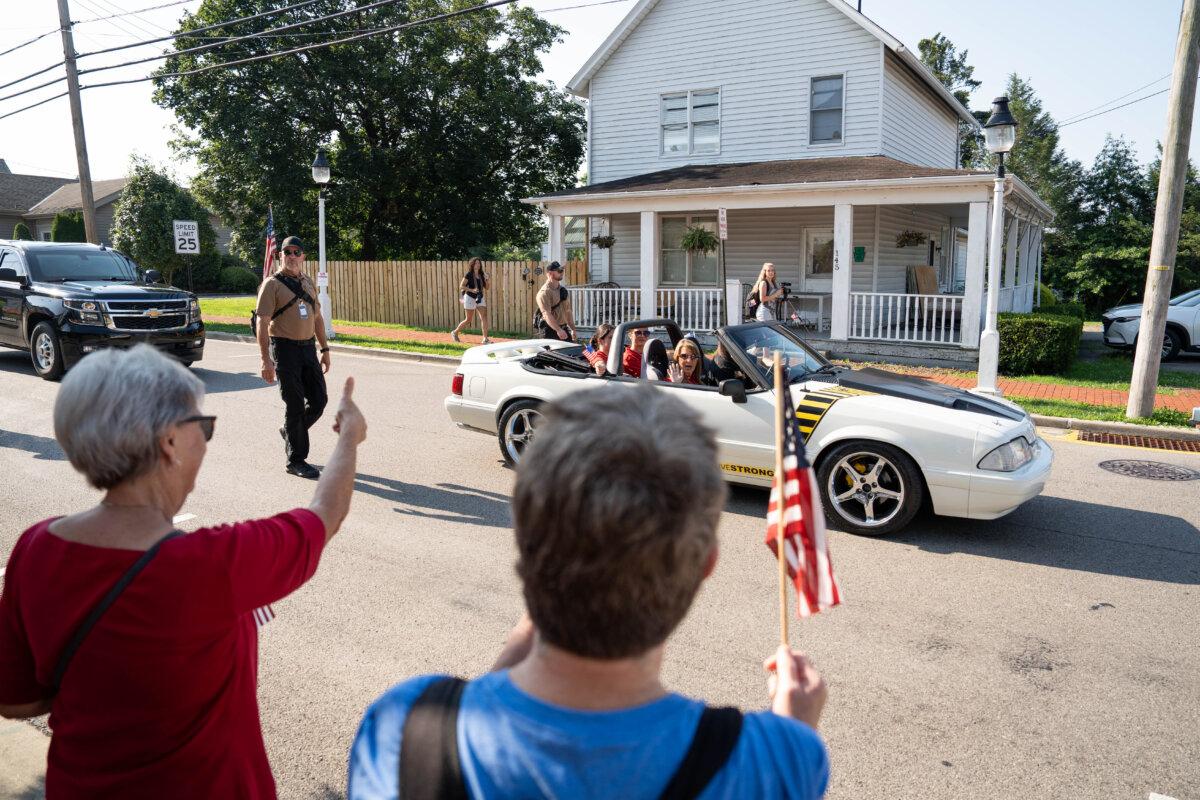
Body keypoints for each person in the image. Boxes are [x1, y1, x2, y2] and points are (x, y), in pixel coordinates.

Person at [348, 385, 828, 799]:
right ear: (707, 565)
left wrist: (559, 559)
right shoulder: (774, 761)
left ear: (526, 544)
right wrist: (796, 727)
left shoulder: (404, 726)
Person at [0, 345, 367, 799]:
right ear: (169, 441)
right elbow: (325, 513)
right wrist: (349, 436)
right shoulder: (211, 564)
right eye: (203, 426)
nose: (206, 440)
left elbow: (16, 698)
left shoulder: (35, 548)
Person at [256, 235, 330, 479]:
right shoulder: (272, 284)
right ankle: (296, 460)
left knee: (319, 400)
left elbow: (317, 318)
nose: (292, 256)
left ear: (303, 256)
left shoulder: (308, 282)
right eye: (287, 252)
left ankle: (289, 431)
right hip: (284, 349)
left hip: (308, 348)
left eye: (297, 252)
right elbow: (262, 321)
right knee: (295, 404)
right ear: (281, 256)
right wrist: (266, 360)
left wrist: (325, 349)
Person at [452, 257, 491, 344]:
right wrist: (472, 290)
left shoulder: (482, 275)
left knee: (484, 317)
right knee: (468, 319)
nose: (478, 264)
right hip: (469, 297)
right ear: (472, 264)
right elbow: (461, 286)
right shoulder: (469, 274)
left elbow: (487, 288)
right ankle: (455, 332)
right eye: (476, 263)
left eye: (479, 263)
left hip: (480, 297)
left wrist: (487, 279)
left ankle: (485, 339)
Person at [534, 261, 575, 341]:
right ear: (550, 273)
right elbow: (546, 314)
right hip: (549, 331)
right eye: (559, 271)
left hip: (563, 329)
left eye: (562, 270)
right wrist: (558, 330)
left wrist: (573, 329)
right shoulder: (544, 292)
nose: (562, 272)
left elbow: (568, 311)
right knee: (550, 353)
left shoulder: (562, 290)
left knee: (569, 352)